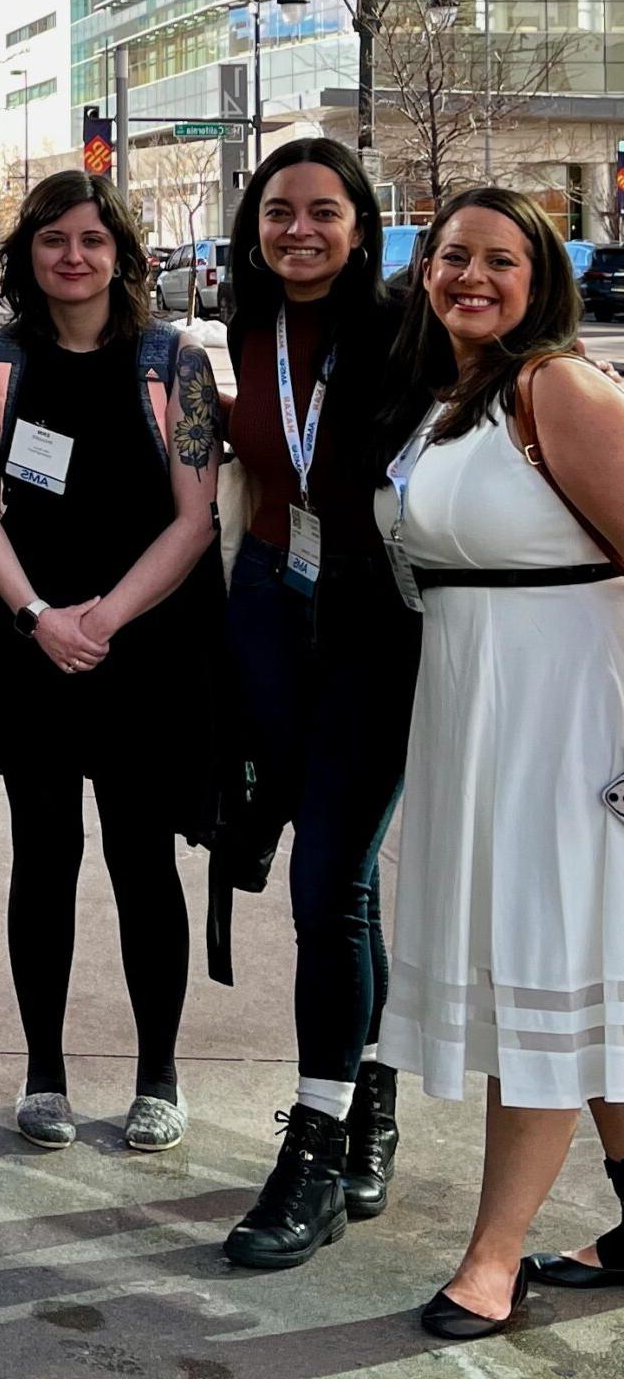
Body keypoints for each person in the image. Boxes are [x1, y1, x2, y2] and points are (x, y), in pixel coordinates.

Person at [373, 187, 624, 1341]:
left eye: (498, 259)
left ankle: (488, 1256)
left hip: (566, 725)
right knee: (579, 991)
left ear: (541, 276)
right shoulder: (451, 401)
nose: (470, 275)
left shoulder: (552, 384)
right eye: (449, 256)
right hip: (474, 712)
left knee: (541, 981)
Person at [0, 170, 222, 1155]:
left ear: (121, 256)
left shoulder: (172, 364)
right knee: (43, 857)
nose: (72, 255)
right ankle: (43, 1074)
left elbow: (195, 518)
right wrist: (36, 616)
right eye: (53, 239)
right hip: (31, 645)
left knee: (141, 863)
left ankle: (157, 1075)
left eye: (91, 240)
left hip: (142, 646)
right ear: (26, 254)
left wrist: (99, 617)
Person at [212, 140, 418, 1270]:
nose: (297, 229)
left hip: (367, 632)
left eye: (321, 211)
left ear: (360, 225)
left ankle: (313, 1154)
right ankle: (370, 1096)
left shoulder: (401, 333)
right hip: (265, 615)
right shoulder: (249, 326)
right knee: (336, 883)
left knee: (325, 885)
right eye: (277, 211)